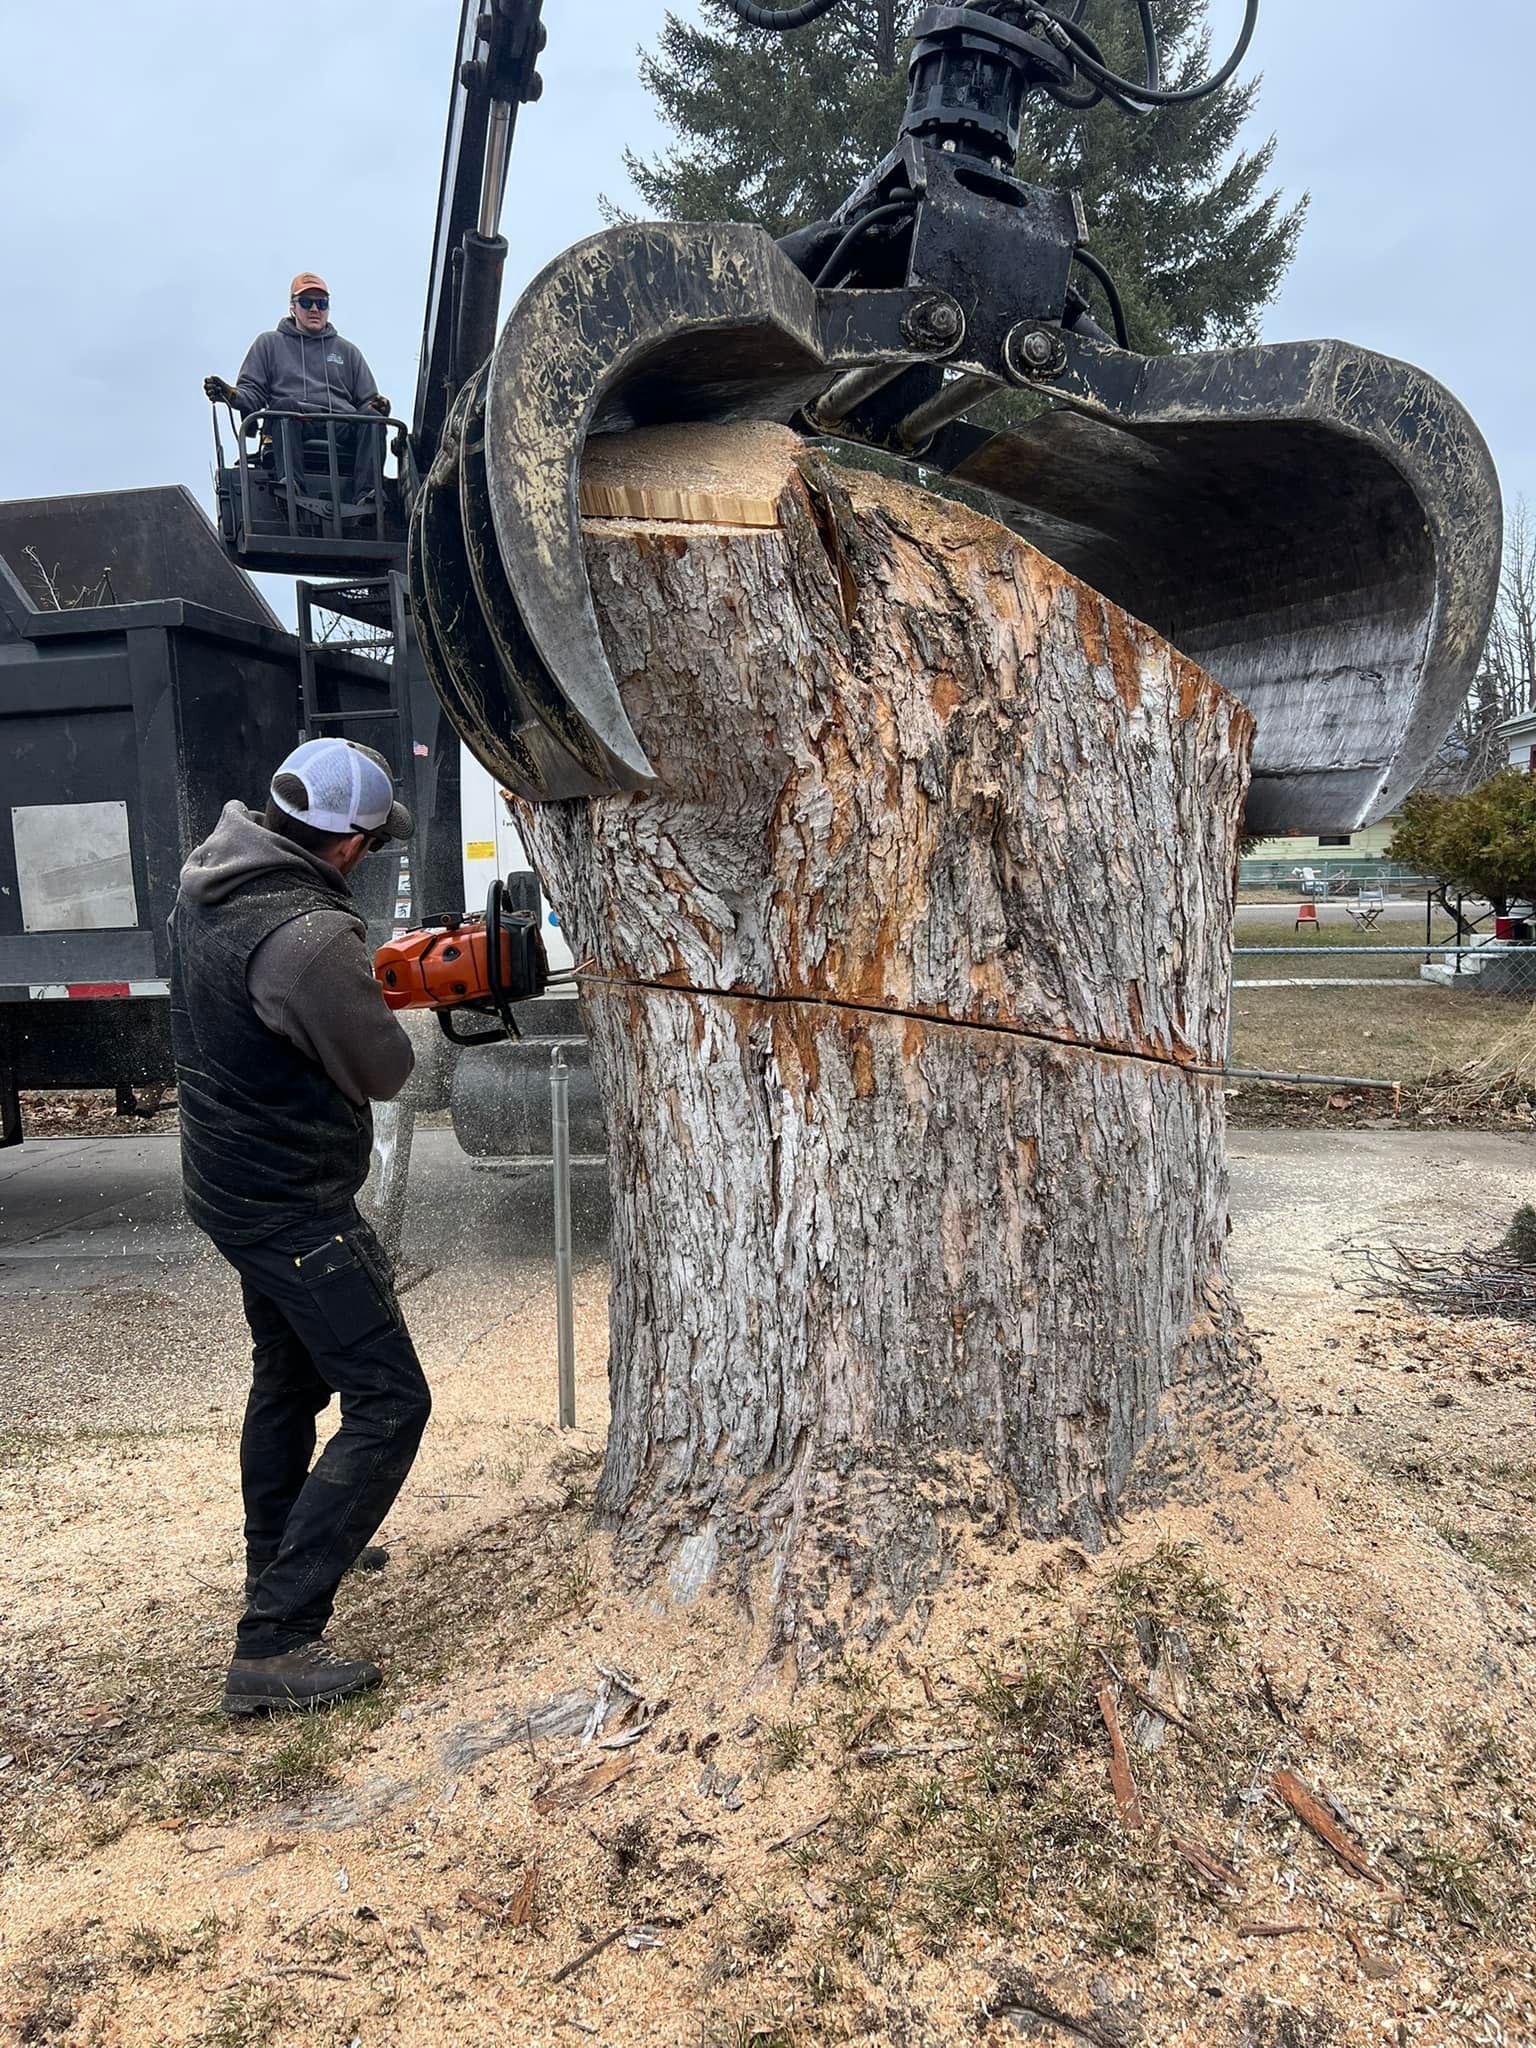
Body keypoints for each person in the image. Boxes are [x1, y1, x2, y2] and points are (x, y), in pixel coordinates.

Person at [168, 738, 430, 1715]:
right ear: (351, 844)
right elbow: (386, 1070)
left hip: (229, 1181)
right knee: (391, 1400)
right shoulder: (313, 938)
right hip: (293, 1202)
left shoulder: (209, 882)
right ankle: (275, 1636)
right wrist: (380, 998)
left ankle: (280, 1548)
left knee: (287, 1375)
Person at [204, 274, 391, 510]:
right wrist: (232, 395)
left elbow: (368, 401)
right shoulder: (269, 344)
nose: (315, 309)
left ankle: (369, 495)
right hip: (296, 421)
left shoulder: (347, 352)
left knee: (373, 419)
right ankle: (291, 487)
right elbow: (252, 393)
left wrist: (378, 407)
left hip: (341, 424)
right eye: (306, 302)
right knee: (285, 407)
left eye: (321, 303)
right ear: (293, 306)